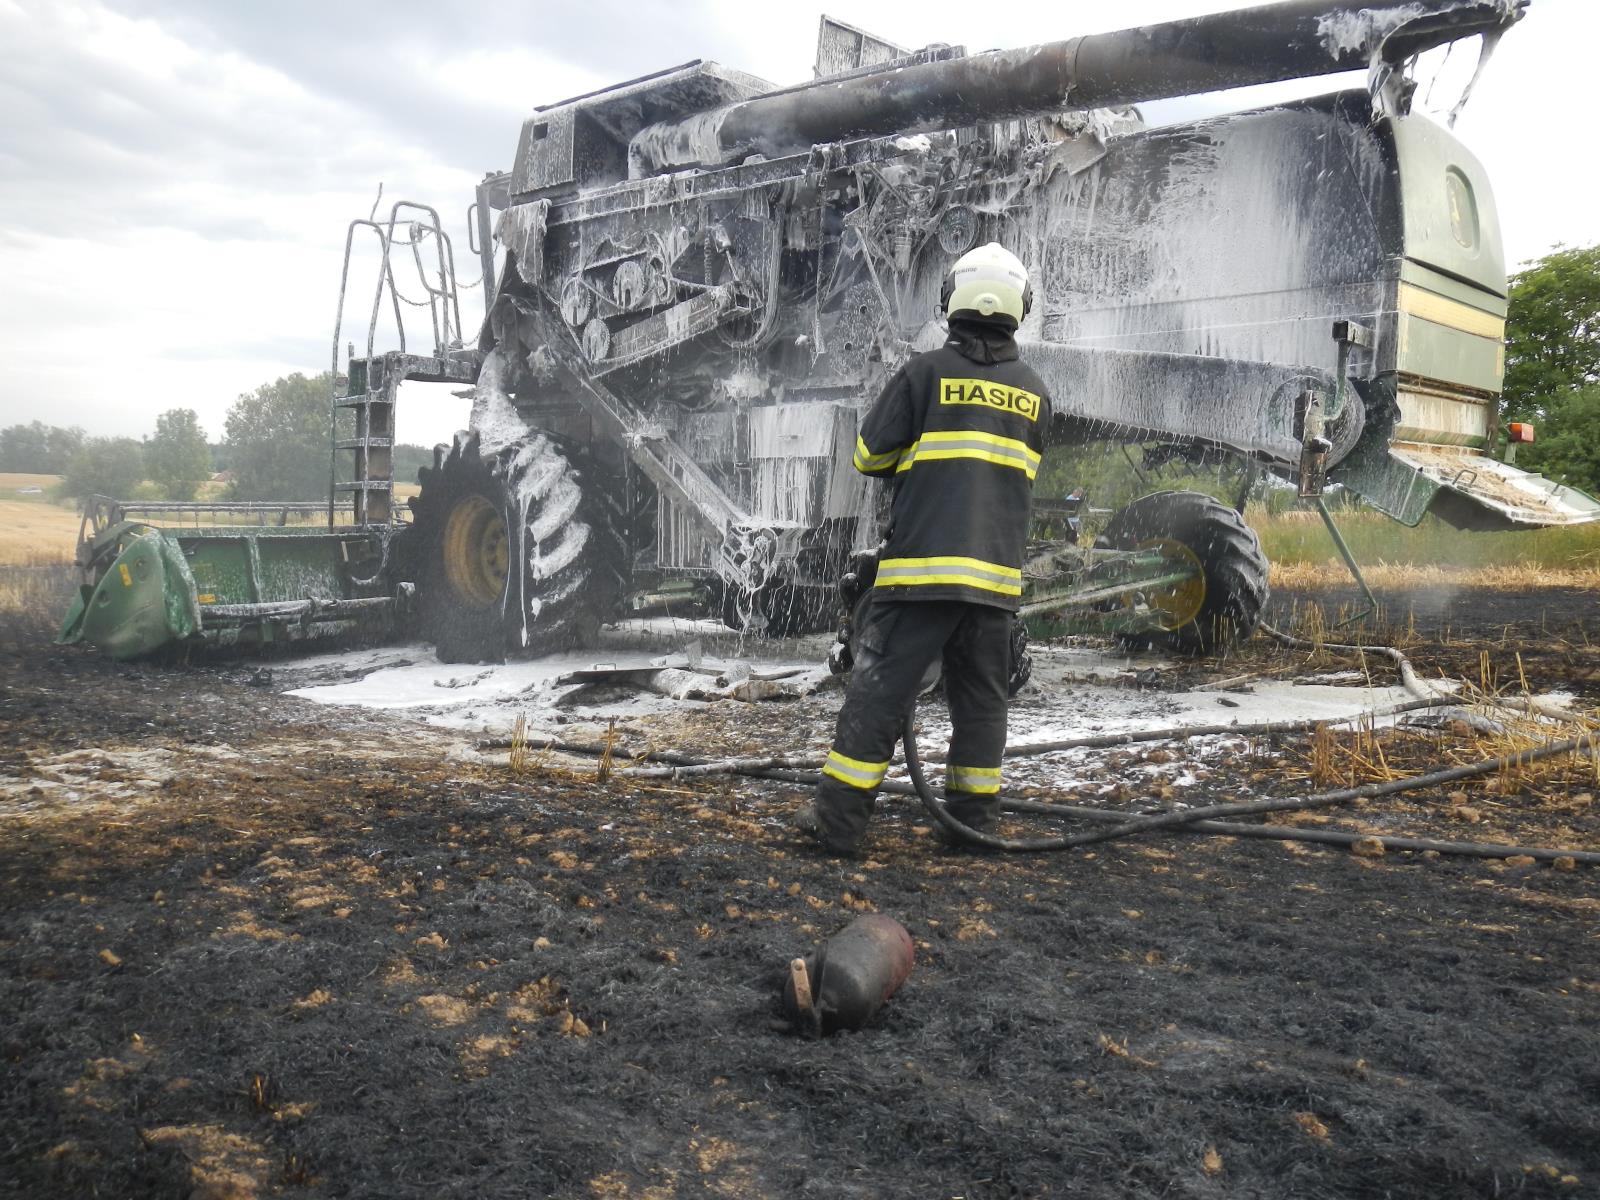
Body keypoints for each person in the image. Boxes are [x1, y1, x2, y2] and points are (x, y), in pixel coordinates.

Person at [798, 242, 1052, 854]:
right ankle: (970, 828)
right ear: (1018, 306)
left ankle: (838, 829)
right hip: (993, 585)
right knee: (982, 706)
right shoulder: (1035, 392)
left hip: (920, 577)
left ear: (953, 300)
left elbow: (868, 457)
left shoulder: (922, 373)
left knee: (879, 694)